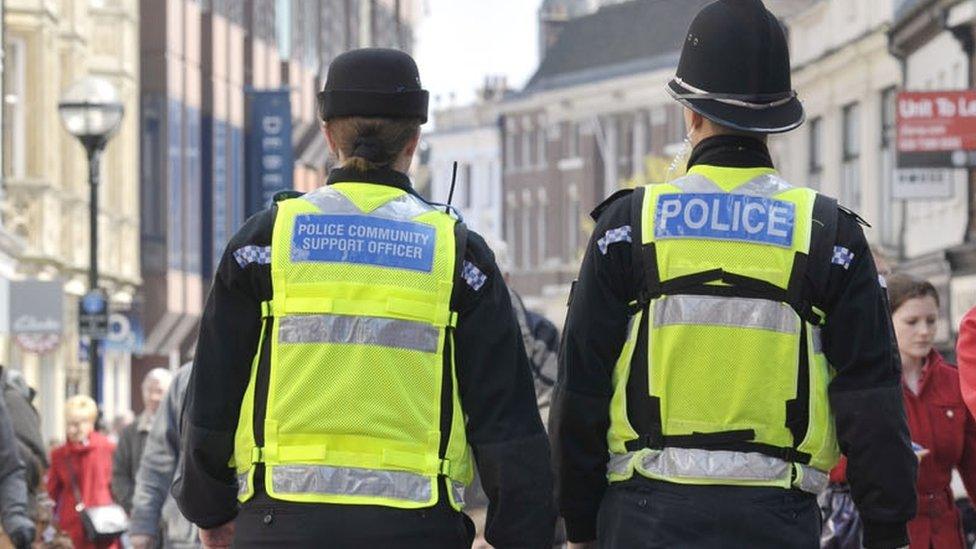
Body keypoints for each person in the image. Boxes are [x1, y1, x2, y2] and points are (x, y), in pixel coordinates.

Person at [550, 1, 917, 548]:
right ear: (775, 121)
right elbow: (871, 397)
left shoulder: (629, 226)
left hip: (644, 519)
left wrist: (577, 523)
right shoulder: (828, 234)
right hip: (777, 519)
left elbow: (580, 389)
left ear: (690, 113)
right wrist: (888, 529)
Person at [174, 48, 555, 549]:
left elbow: (212, 394)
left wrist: (210, 508)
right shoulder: (459, 256)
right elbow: (507, 422)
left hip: (279, 526)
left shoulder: (264, 245)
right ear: (414, 142)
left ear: (329, 136)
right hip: (417, 530)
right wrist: (521, 534)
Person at [829, 274, 976, 548]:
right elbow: (835, 464)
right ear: (888, 320)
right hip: (885, 528)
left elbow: (973, 463)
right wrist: (887, 459)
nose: (924, 331)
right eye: (912, 322)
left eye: (931, 321)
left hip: (944, 531)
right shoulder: (867, 384)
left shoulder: (953, 381)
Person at [129, 364, 198, 549]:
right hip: (187, 535)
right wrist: (143, 523)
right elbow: (157, 460)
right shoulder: (187, 378)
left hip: (250, 528)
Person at [47, 395, 119, 549]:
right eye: (69, 424)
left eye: (77, 424)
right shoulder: (59, 454)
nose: (72, 429)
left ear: (90, 423)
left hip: (104, 525)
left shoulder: (108, 448)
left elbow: (118, 484)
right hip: (72, 529)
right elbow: (51, 493)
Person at [112, 368, 172, 515]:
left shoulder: (181, 428)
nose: (153, 397)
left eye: (159, 391)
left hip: (177, 517)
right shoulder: (130, 433)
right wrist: (135, 503)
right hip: (142, 515)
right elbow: (119, 475)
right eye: (149, 390)